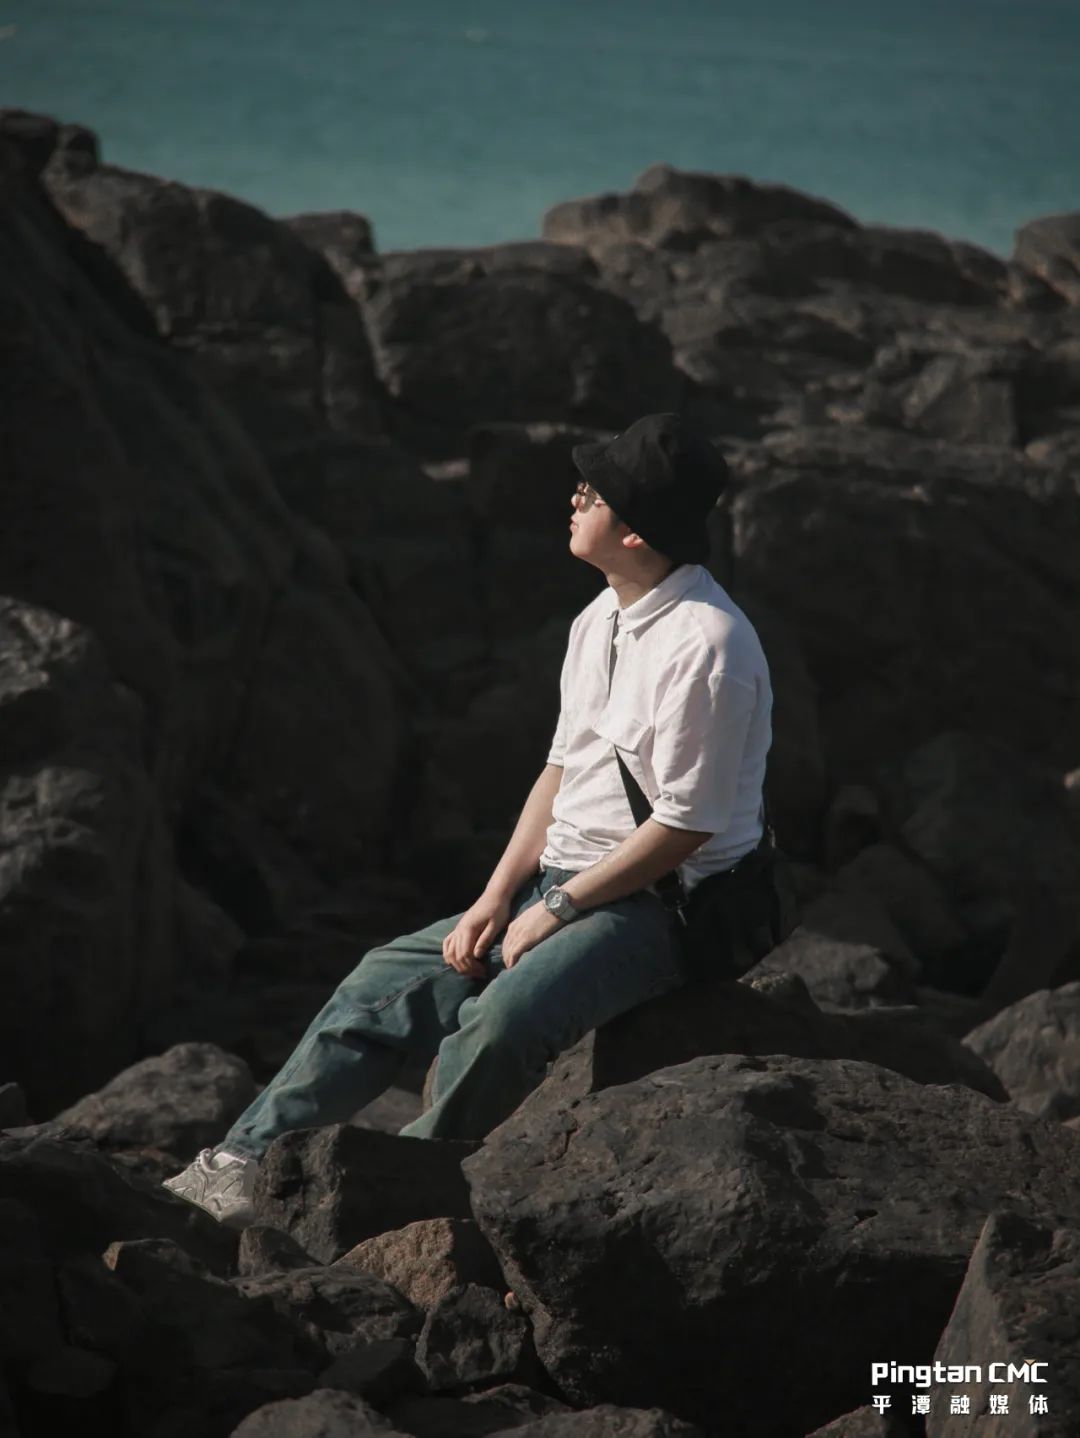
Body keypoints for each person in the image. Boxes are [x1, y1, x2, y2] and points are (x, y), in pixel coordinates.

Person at [163, 412, 773, 1227]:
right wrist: (498, 896)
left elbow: (685, 827)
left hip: (663, 906)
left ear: (635, 533)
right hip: (564, 881)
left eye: (593, 493)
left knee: (500, 1023)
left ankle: (385, 1204)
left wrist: (558, 910)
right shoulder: (600, 618)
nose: (575, 497)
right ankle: (241, 1167)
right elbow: (561, 771)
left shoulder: (710, 644)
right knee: (379, 985)